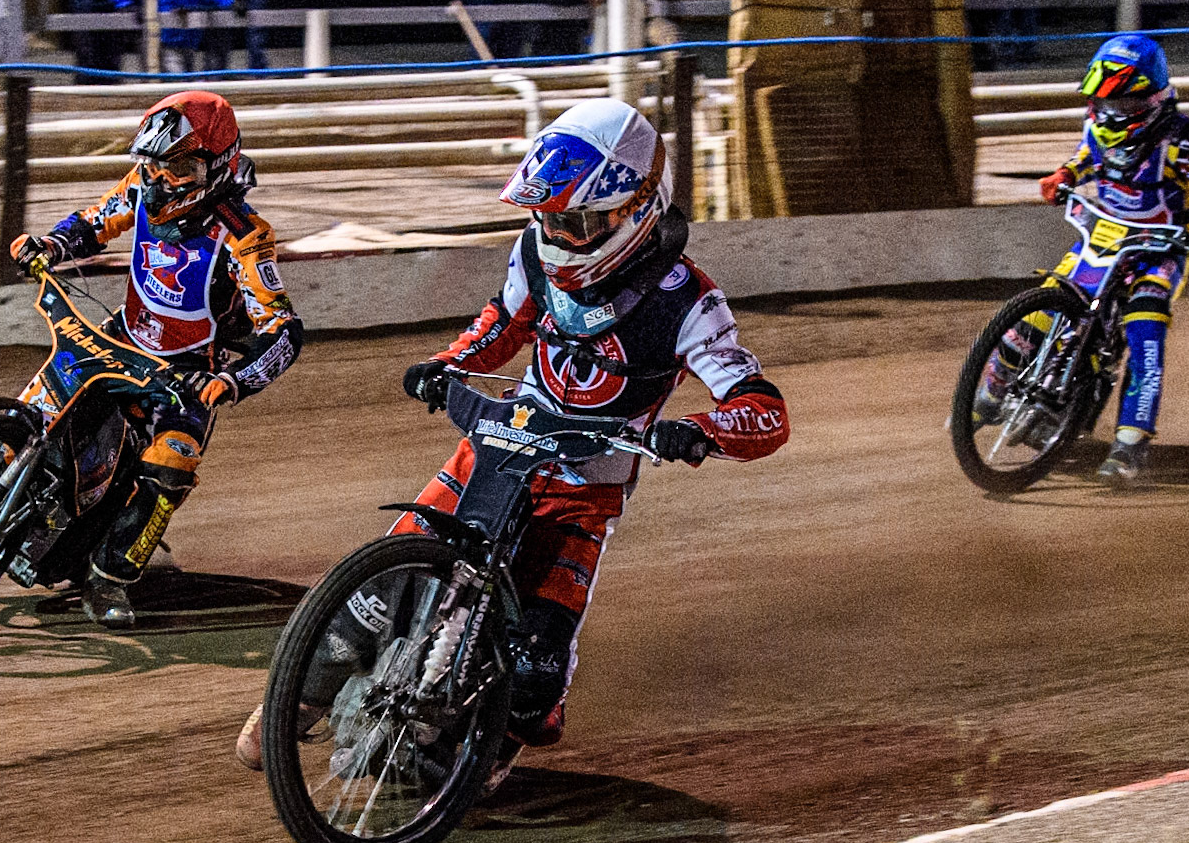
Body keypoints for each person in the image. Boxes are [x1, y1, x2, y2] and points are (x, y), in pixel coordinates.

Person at [234, 99, 791, 776]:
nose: (558, 231)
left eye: (578, 220)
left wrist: (699, 430)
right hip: (500, 445)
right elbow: (505, 321)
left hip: (585, 490)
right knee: (376, 590)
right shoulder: (534, 249)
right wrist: (449, 363)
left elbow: (763, 407)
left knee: (536, 677)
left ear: (638, 209)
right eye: (550, 216)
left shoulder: (690, 301)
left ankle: (482, 752)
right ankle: (300, 693)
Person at [10, 91, 303, 627]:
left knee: (173, 464)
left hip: (185, 375)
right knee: (28, 415)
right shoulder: (142, 193)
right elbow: (94, 223)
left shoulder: (245, 235)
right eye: (153, 163)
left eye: (182, 166)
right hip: (118, 341)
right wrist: (50, 245)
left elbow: (283, 330)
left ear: (221, 165)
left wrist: (236, 380)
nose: (163, 178)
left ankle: (109, 579)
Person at [985, 36, 1189, 486]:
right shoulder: (1096, 123)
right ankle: (987, 392)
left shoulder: (1181, 138)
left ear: (1151, 97)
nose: (1110, 111)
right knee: (1044, 304)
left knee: (1145, 327)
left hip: (1160, 251)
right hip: (1103, 236)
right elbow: (1089, 158)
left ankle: (1129, 448)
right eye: (1102, 100)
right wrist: (1065, 174)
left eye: (1122, 101)